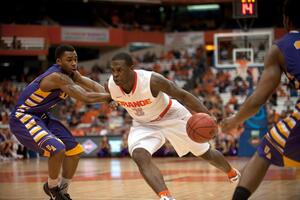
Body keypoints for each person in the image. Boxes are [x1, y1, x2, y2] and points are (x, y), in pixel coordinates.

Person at [107, 52, 240, 200]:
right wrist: (110, 101)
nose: (115, 75)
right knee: (139, 155)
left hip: (171, 114)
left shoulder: (152, 81)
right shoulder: (111, 85)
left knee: (204, 152)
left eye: (119, 70)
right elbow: (105, 95)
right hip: (143, 124)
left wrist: (209, 117)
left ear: (131, 68)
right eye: (112, 70)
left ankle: (231, 172)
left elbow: (183, 95)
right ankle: (166, 197)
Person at [220, 0, 300, 199]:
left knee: (266, 148)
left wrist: (234, 121)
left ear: (287, 20)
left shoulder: (281, 47)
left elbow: (257, 100)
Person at [9, 44, 111, 200]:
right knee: (58, 149)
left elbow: (91, 84)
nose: (73, 63)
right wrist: (109, 98)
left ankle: (62, 191)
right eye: (69, 60)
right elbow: (84, 97)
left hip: (42, 116)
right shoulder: (56, 77)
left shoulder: (72, 74)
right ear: (58, 61)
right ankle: (52, 187)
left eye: (75, 59)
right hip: (24, 117)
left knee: (75, 151)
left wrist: (109, 94)